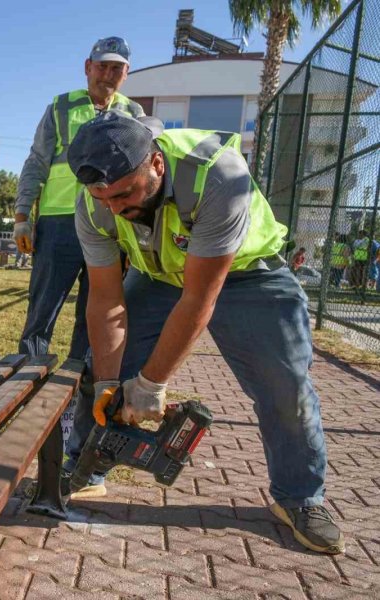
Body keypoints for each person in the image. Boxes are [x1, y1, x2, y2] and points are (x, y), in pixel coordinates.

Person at [65, 110, 344, 555]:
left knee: (284, 386)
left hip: (247, 275)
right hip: (159, 274)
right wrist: (109, 384)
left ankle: (300, 498)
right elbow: (105, 300)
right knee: (97, 369)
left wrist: (150, 384)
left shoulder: (217, 176)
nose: (114, 208)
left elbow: (198, 300)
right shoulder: (94, 204)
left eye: (124, 194)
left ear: (156, 164)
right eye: (103, 197)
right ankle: (85, 469)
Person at [12, 36, 144, 368]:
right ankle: (28, 375)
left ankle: (77, 384)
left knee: (95, 309)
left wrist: (136, 236)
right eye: (102, 66)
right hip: (59, 224)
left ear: (126, 73)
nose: (108, 75)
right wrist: (22, 214)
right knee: (43, 308)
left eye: (117, 68)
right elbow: (37, 162)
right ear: (88, 67)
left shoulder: (133, 113)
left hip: (109, 227)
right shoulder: (60, 107)